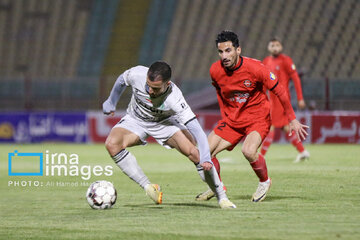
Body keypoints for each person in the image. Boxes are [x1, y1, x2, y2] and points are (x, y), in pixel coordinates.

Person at [102, 61, 236, 209]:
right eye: (148, 85)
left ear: (167, 84)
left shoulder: (175, 99)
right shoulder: (137, 74)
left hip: (165, 123)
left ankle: (222, 197)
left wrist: (206, 158)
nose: (150, 91)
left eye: (156, 88)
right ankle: (148, 186)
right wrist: (111, 101)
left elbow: (198, 131)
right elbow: (122, 79)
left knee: (195, 154)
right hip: (136, 120)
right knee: (112, 144)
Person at [195, 31, 308, 202]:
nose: (224, 56)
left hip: (258, 118)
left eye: (228, 50)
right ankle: (217, 187)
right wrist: (225, 114)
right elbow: (219, 92)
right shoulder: (215, 70)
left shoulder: (256, 68)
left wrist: (292, 118)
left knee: (248, 151)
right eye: (221, 52)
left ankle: (264, 181)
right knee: (204, 154)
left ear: (238, 50)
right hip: (232, 120)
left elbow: (280, 90)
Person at [260, 38, 310, 163]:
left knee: (269, 126)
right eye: (272, 45)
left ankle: (261, 156)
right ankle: (302, 152)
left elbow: (296, 79)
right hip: (272, 99)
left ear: (281, 47)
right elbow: (263, 82)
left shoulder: (286, 60)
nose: (275, 47)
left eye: (277, 45)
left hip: (282, 99)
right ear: (268, 47)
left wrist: (300, 98)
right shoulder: (266, 61)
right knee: (286, 128)